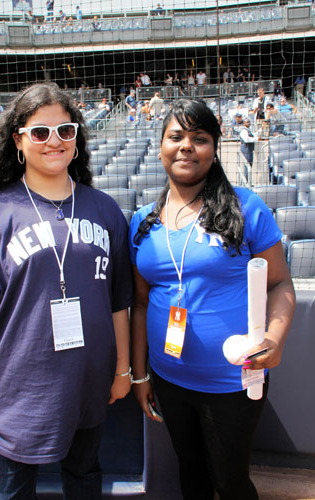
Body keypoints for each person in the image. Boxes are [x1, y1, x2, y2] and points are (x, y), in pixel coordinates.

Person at [0, 82, 133, 499]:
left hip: (89, 387)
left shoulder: (105, 210)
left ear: (77, 139)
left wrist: (123, 369)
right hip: (16, 397)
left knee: (85, 480)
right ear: (18, 141)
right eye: (40, 132)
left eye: (65, 131)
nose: (54, 141)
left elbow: (119, 302)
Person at [129, 99, 295, 500]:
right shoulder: (141, 223)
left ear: (214, 148)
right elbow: (139, 301)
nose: (186, 146)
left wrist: (275, 338)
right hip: (169, 378)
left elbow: (279, 285)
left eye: (199, 138)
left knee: (230, 481)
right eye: (176, 136)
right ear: (162, 147)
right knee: (191, 475)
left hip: (233, 381)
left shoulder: (245, 207)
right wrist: (139, 375)